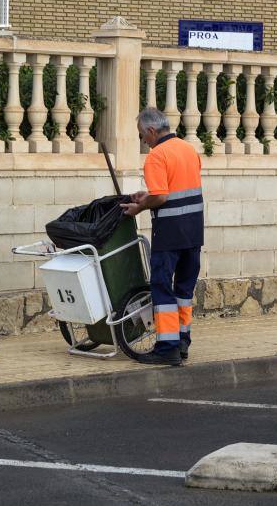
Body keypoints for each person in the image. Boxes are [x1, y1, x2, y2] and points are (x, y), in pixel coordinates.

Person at [120, 107, 204, 366]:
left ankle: (167, 346)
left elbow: (162, 196)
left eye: (143, 136)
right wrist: (147, 195)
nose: (144, 141)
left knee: (162, 288)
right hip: (193, 232)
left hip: (169, 234)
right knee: (183, 291)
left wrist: (139, 206)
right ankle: (182, 343)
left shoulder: (157, 156)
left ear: (152, 131)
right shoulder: (188, 149)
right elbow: (174, 189)